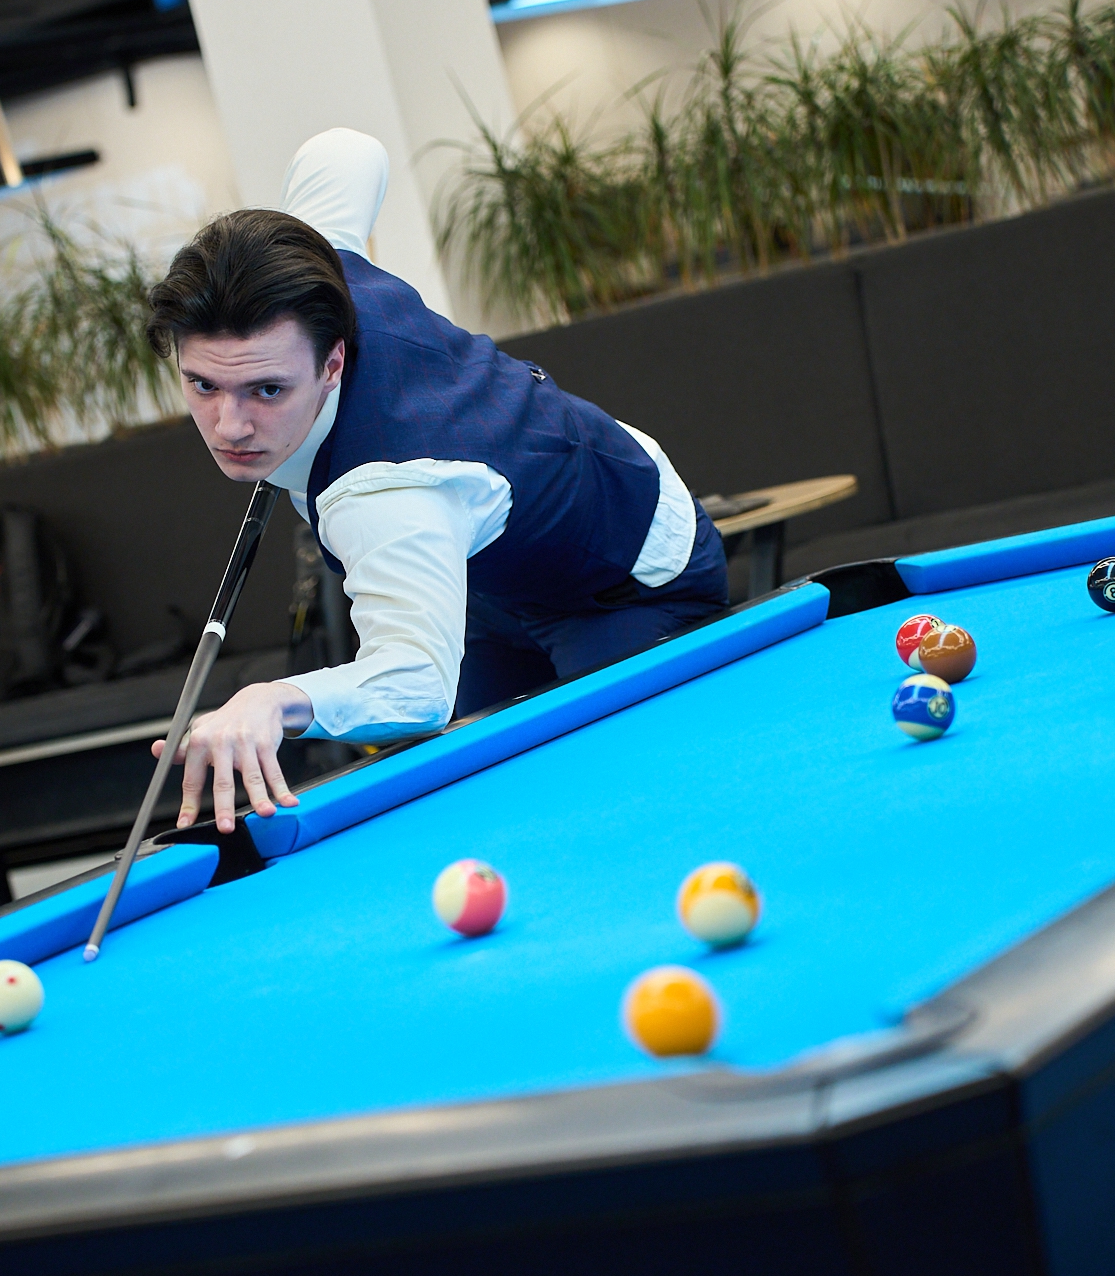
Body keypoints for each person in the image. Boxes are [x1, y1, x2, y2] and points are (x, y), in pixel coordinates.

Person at [145, 129, 728, 834]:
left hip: (622, 572)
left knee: (611, 804)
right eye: (203, 385)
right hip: (488, 579)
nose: (230, 425)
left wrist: (272, 699)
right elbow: (347, 150)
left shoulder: (387, 490)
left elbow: (415, 684)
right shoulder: (312, 264)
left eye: (267, 389)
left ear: (333, 363)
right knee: (471, 804)